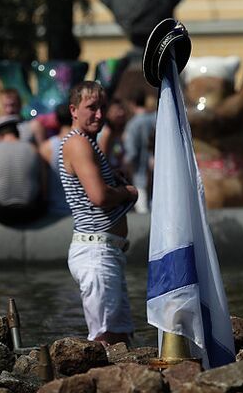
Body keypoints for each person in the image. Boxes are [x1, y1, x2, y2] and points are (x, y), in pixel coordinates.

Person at [59, 81, 138, 345]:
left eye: (102, 107)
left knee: (121, 336)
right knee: (106, 339)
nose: (99, 115)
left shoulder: (87, 144)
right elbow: (100, 197)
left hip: (105, 250)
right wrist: (128, 192)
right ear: (73, 110)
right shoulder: (79, 143)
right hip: (96, 252)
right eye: (91, 108)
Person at [0, 89, 45, 206]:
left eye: (13, 105)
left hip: (27, 188)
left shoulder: (33, 126)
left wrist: (44, 193)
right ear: (1, 105)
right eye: (6, 105)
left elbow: (44, 158)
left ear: (20, 105)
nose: (10, 109)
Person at [0, 115, 44, 225]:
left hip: (0, 213)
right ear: (17, 133)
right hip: (30, 211)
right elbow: (42, 186)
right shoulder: (33, 149)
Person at [123, 91, 156, 213]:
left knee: (143, 211)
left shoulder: (132, 125)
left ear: (132, 104)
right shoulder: (156, 118)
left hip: (139, 174)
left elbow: (131, 152)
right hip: (157, 171)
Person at [39, 103, 72, 216]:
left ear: (56, 120)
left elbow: (43, 184)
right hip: (81, 213)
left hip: (54, 210)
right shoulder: (85, 144)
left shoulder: (46, 147)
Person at [98, 98, 128, 174]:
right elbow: (103, 160)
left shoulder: (118, 132)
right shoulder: (106, 132)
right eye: (117, 110)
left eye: (122, 109)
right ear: (108, 113)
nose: (121, 113)